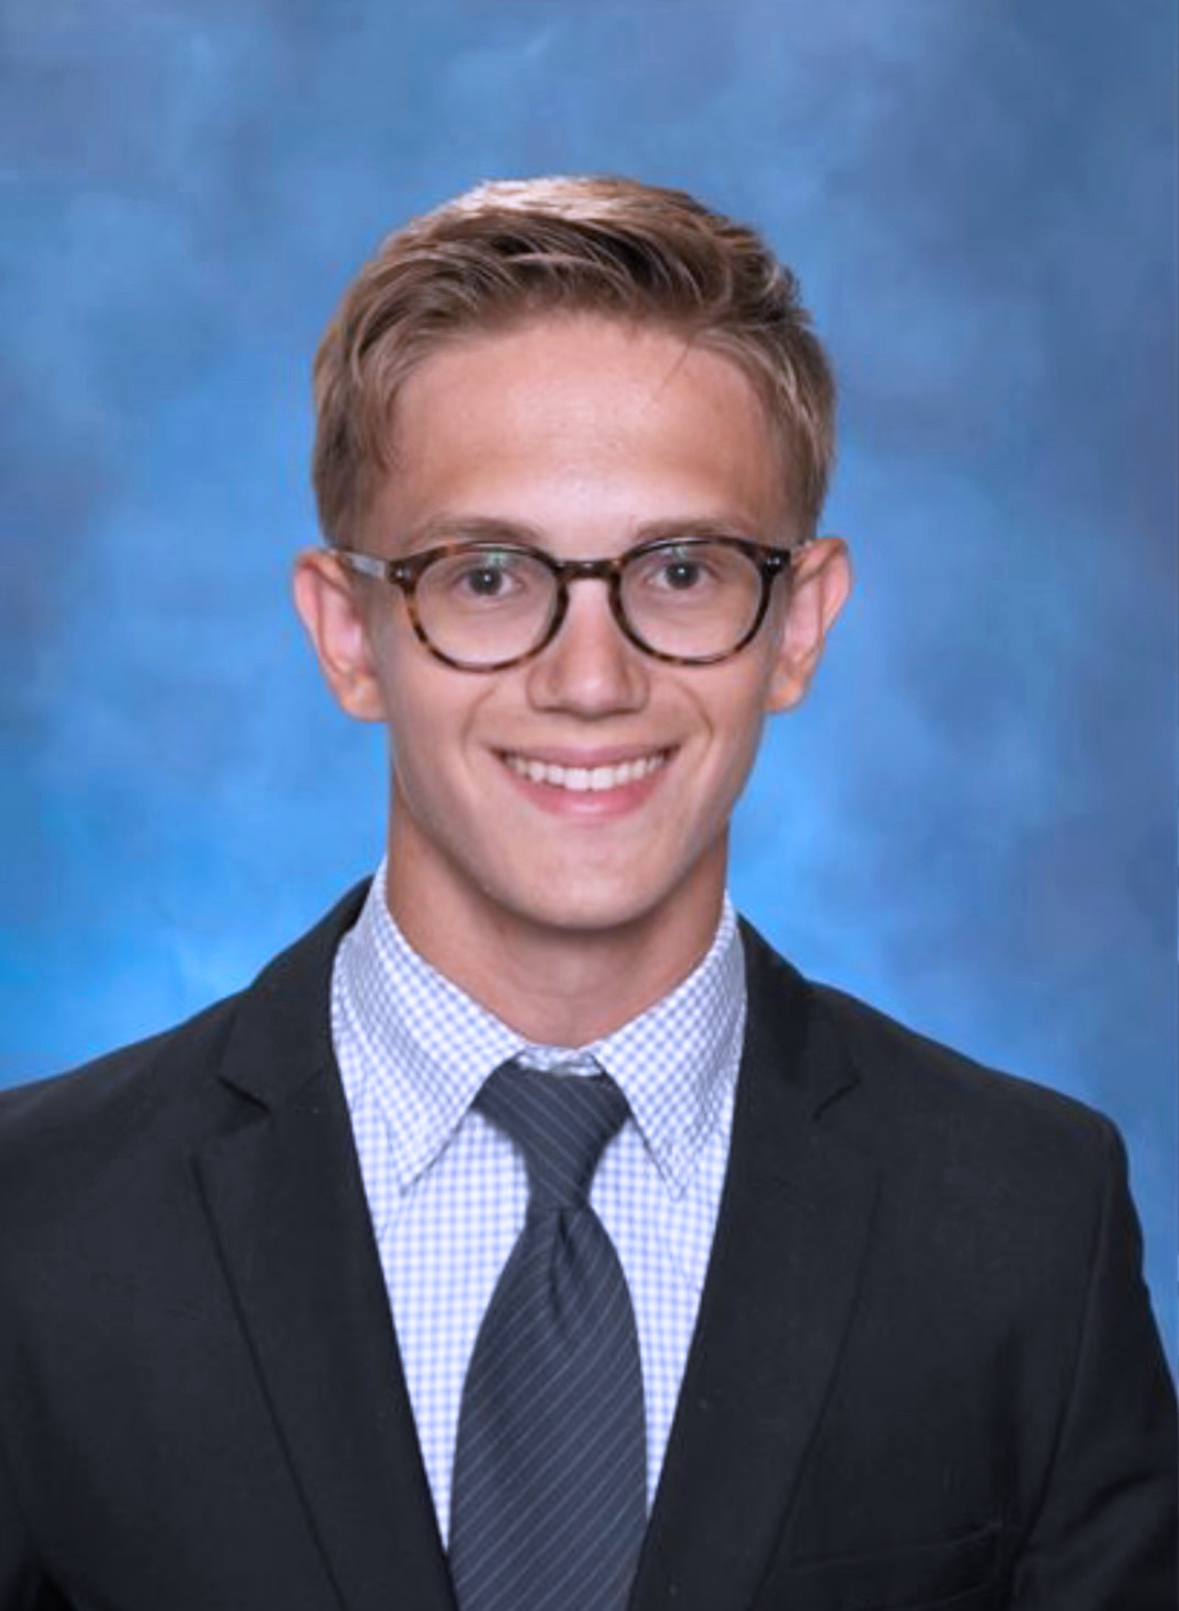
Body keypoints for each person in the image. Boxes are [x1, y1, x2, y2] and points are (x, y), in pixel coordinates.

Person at [0, 177, 1174, 1611]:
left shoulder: (1025, 1226)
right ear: (350, 634)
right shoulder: (36, 1232)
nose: (592, 677)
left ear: (797, 626)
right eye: (489, 575)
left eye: (679, 569)